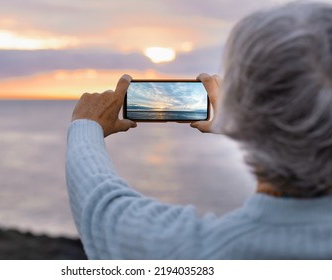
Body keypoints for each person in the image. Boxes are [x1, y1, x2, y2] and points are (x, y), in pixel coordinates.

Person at [65, 2, 332, 259]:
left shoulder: (204, 252)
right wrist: (240, 120)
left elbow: (103, 210)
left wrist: (86, 125)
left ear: (242, 106)